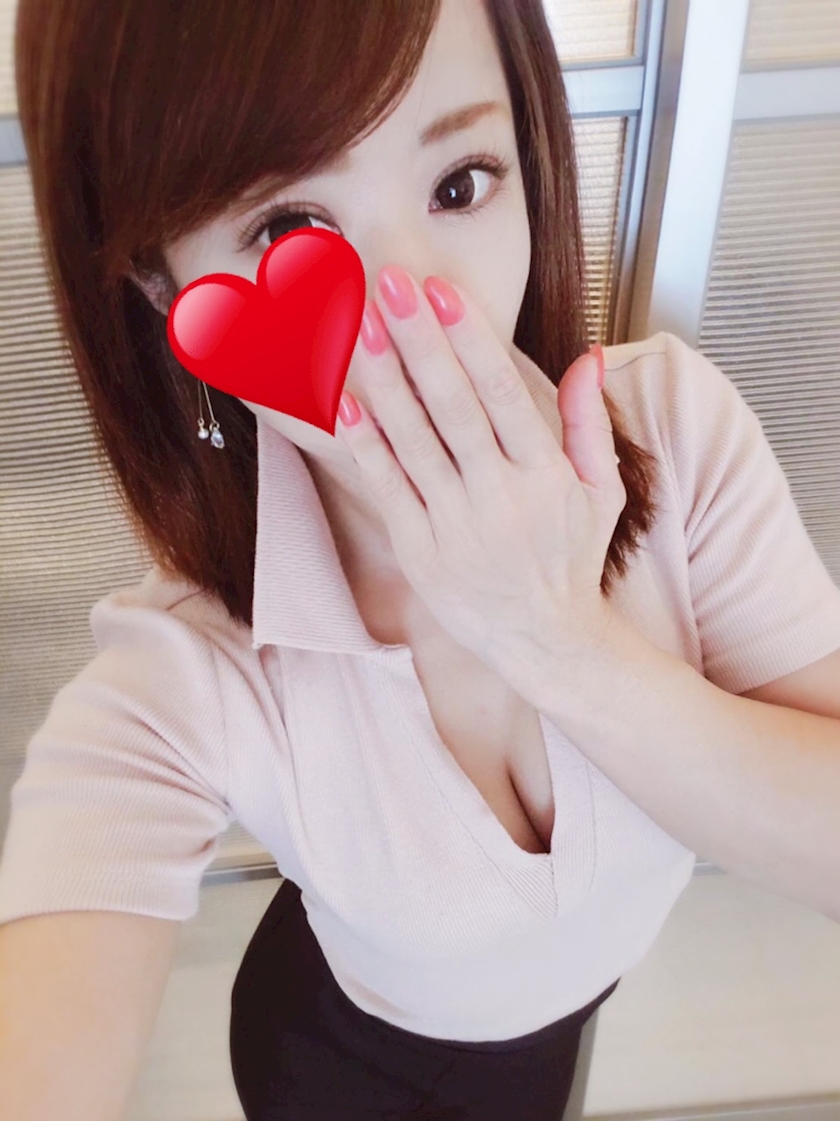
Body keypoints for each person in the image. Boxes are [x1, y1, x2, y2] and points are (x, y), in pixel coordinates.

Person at [3, 1, 840, 1119]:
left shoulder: (679, 433)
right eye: (287, 229)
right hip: (332, 1064)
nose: (415, 312)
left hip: (553, 1039)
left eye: (461, 183)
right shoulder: (181, 675)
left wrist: (558, 640)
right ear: (164, 290)